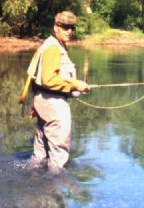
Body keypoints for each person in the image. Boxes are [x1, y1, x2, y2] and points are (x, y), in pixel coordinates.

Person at [27, 11, 89, 173]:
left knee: (40, 154)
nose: (69, 31)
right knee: (58, 153)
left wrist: (35, 104)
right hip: (54, 105)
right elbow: (48, 79)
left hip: (43, 102)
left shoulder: (49, 44)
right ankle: (54, 191)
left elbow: (36, 77)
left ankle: (34, 186)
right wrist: (75, 85)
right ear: (56, 27)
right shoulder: (53, 48)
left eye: (72, 28)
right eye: (65, 27)